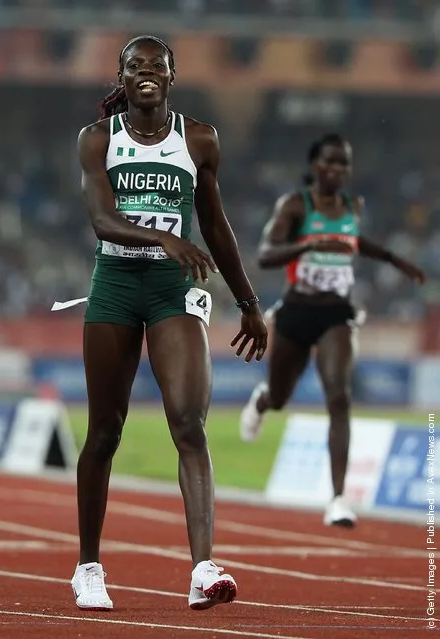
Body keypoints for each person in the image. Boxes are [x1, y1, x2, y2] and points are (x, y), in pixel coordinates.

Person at [70, 35, 267, 611]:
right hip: (115, 285)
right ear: (123, 76)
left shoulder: (199, 138)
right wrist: (162, 235)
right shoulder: (98, 140)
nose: (146, 74)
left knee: (189, 422)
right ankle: (88, 567)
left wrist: (250, 302)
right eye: (136, 67)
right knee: (105, 430)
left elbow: (216, 225)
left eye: (156, 66)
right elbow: (103, 220)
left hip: (170, 291)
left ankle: (203, 569)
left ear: (173, 75)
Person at [239, 133, 425, 527]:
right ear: (315, 166)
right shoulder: (294, 205)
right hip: (295, 311)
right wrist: (308, 245)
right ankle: (262, 402)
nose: (338, 170)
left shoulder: (352, 206)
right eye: (331, 162)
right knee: (280, 397)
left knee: (339, 397)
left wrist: (394, 259)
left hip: (336, 314)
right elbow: (266, 254)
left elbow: (355, 242)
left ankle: (339, 499)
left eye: (345, 163)